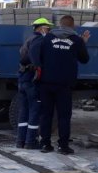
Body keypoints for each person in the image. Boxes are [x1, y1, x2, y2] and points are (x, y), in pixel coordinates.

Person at [29, 15, 91, 155]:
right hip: (64, 84)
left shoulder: (48, 38)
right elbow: (84, 59)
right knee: (64, 116)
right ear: (72, 26)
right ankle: (63, 146)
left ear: (59, 25)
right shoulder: (76, 40)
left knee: (46, 114)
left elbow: (38, 54)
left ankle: (45, 144)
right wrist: (83, 42)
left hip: (46, 82)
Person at [15, 17, 52, 149]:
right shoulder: (39, 40)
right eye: (48, 28)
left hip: (23, 78)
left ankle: (20, 141)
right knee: (35, 111)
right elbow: (35, 58)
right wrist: (39, 69)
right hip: (31, 80)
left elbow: (22, 55)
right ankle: (31, 142)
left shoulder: (29, 39)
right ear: (41, 28)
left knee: (24, 111)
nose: (49, 31)